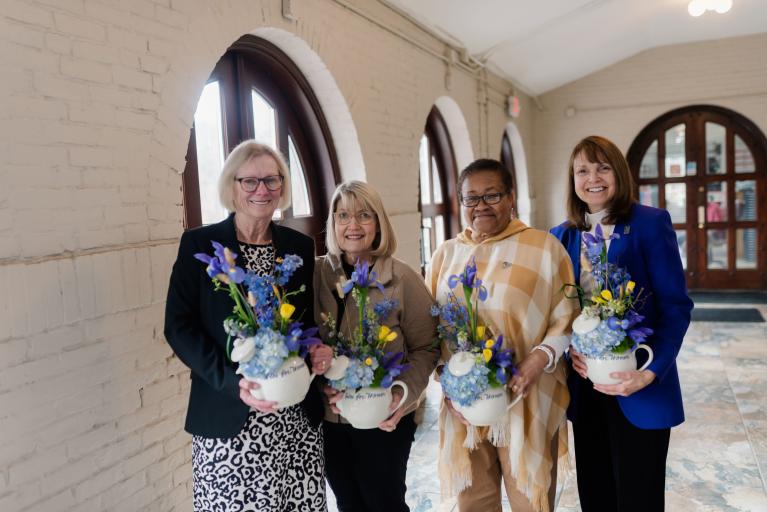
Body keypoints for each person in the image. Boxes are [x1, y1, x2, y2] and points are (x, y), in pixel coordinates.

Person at [164, 140, 332, 511]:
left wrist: (315, 350)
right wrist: (231, 382)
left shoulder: (299, 246)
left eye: (272, 181)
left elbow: (303, 322)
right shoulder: (201, 245)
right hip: (229, 416)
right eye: (250, 181)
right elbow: (178, 327)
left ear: (282, 187)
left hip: (294, 420)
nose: (262, 191)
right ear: (232, 186)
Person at [550, 135, 693, 512]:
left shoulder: (649, 223)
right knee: (596, 495)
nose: (592, 178)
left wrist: (651, 371)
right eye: (583, 170)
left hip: (639, 384)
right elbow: (558, 314)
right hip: (586, 387)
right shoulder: (560, 236)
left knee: (638, 497)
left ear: (619, 173)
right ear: (572, 179)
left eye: (603, 167)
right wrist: (570, 355)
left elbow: (676, 308)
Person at [426, 159, 576, 512]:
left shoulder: (544, 248)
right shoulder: (446, 254)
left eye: (491, 195)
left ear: (511, 198)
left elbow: (567, 318)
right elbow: (428, 328)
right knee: (473, 500)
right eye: (471, 198)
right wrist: (445, 381)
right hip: (465, 403)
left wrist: (536, 361)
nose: (481, 205)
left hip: (529, 394)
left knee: (530, 500)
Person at [315, 180, 440, 512]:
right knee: (349, 502)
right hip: (332, 419)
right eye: (343, 216)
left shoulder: (403, 279)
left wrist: (401, 395)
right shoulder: (316, 275)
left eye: (364, 215)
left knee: (384, 502)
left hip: (385, 416)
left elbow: (427, 348)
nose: (352, 225)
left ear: (379, 223)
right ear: (333, 223)